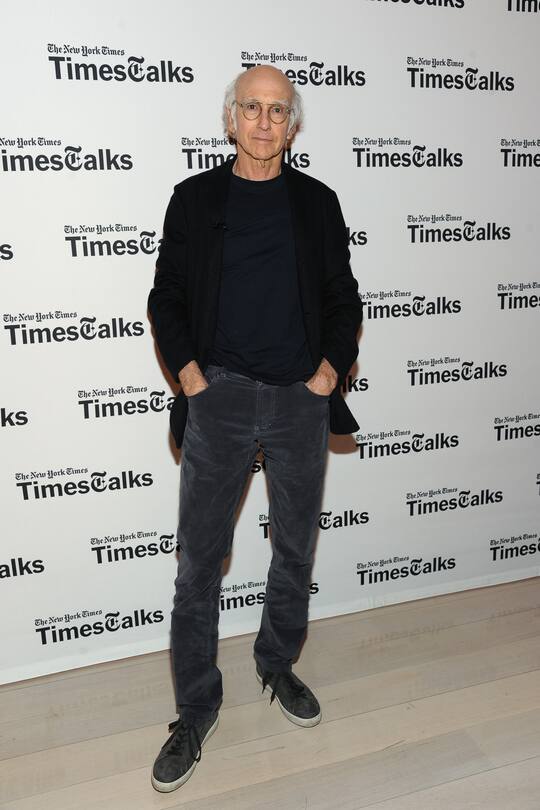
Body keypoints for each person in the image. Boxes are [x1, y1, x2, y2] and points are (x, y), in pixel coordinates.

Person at [147, 64, 363, 793]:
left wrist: (331, 371)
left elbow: (342, 294)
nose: (265, 122)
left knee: (295, 548)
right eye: (252, 108)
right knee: (199, 564)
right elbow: (166, 295)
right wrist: (192, 378)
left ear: (292, 124)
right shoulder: (195, 199)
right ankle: (194, 709)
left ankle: (276, 663)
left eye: (278, 110)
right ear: (230, 119)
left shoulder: (318, 203)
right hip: (223, 397)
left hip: (302, 398)